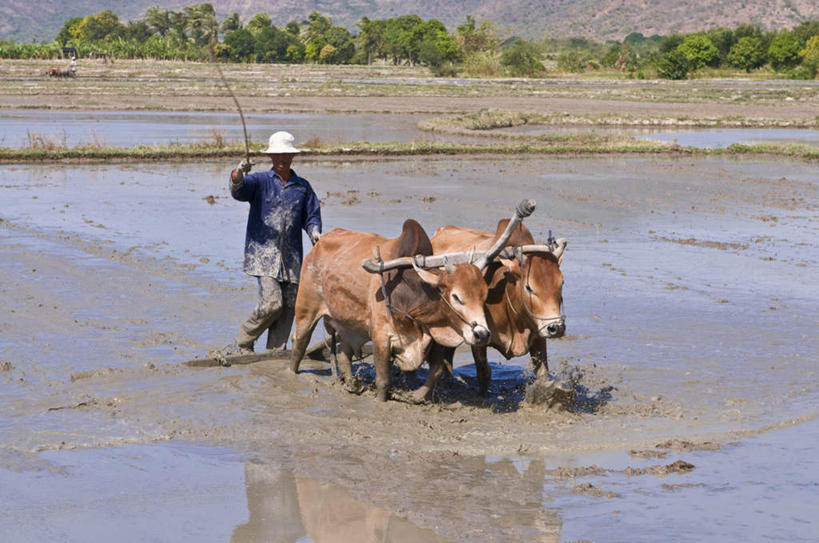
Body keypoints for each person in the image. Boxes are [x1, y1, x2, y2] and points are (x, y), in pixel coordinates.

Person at [230, 131, 322, 353]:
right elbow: (238, 190)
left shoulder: (302, 187)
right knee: (273, 303)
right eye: (277, 155)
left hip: (292, 259)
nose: (281, 159)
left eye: (286, 155)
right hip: (264, 255)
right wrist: (238, 173)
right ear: (271, 157)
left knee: (290, 306)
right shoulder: (259, 182)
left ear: (292, 157)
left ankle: (275, 352)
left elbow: (311, 216)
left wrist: (315, 232)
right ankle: (245, 339)